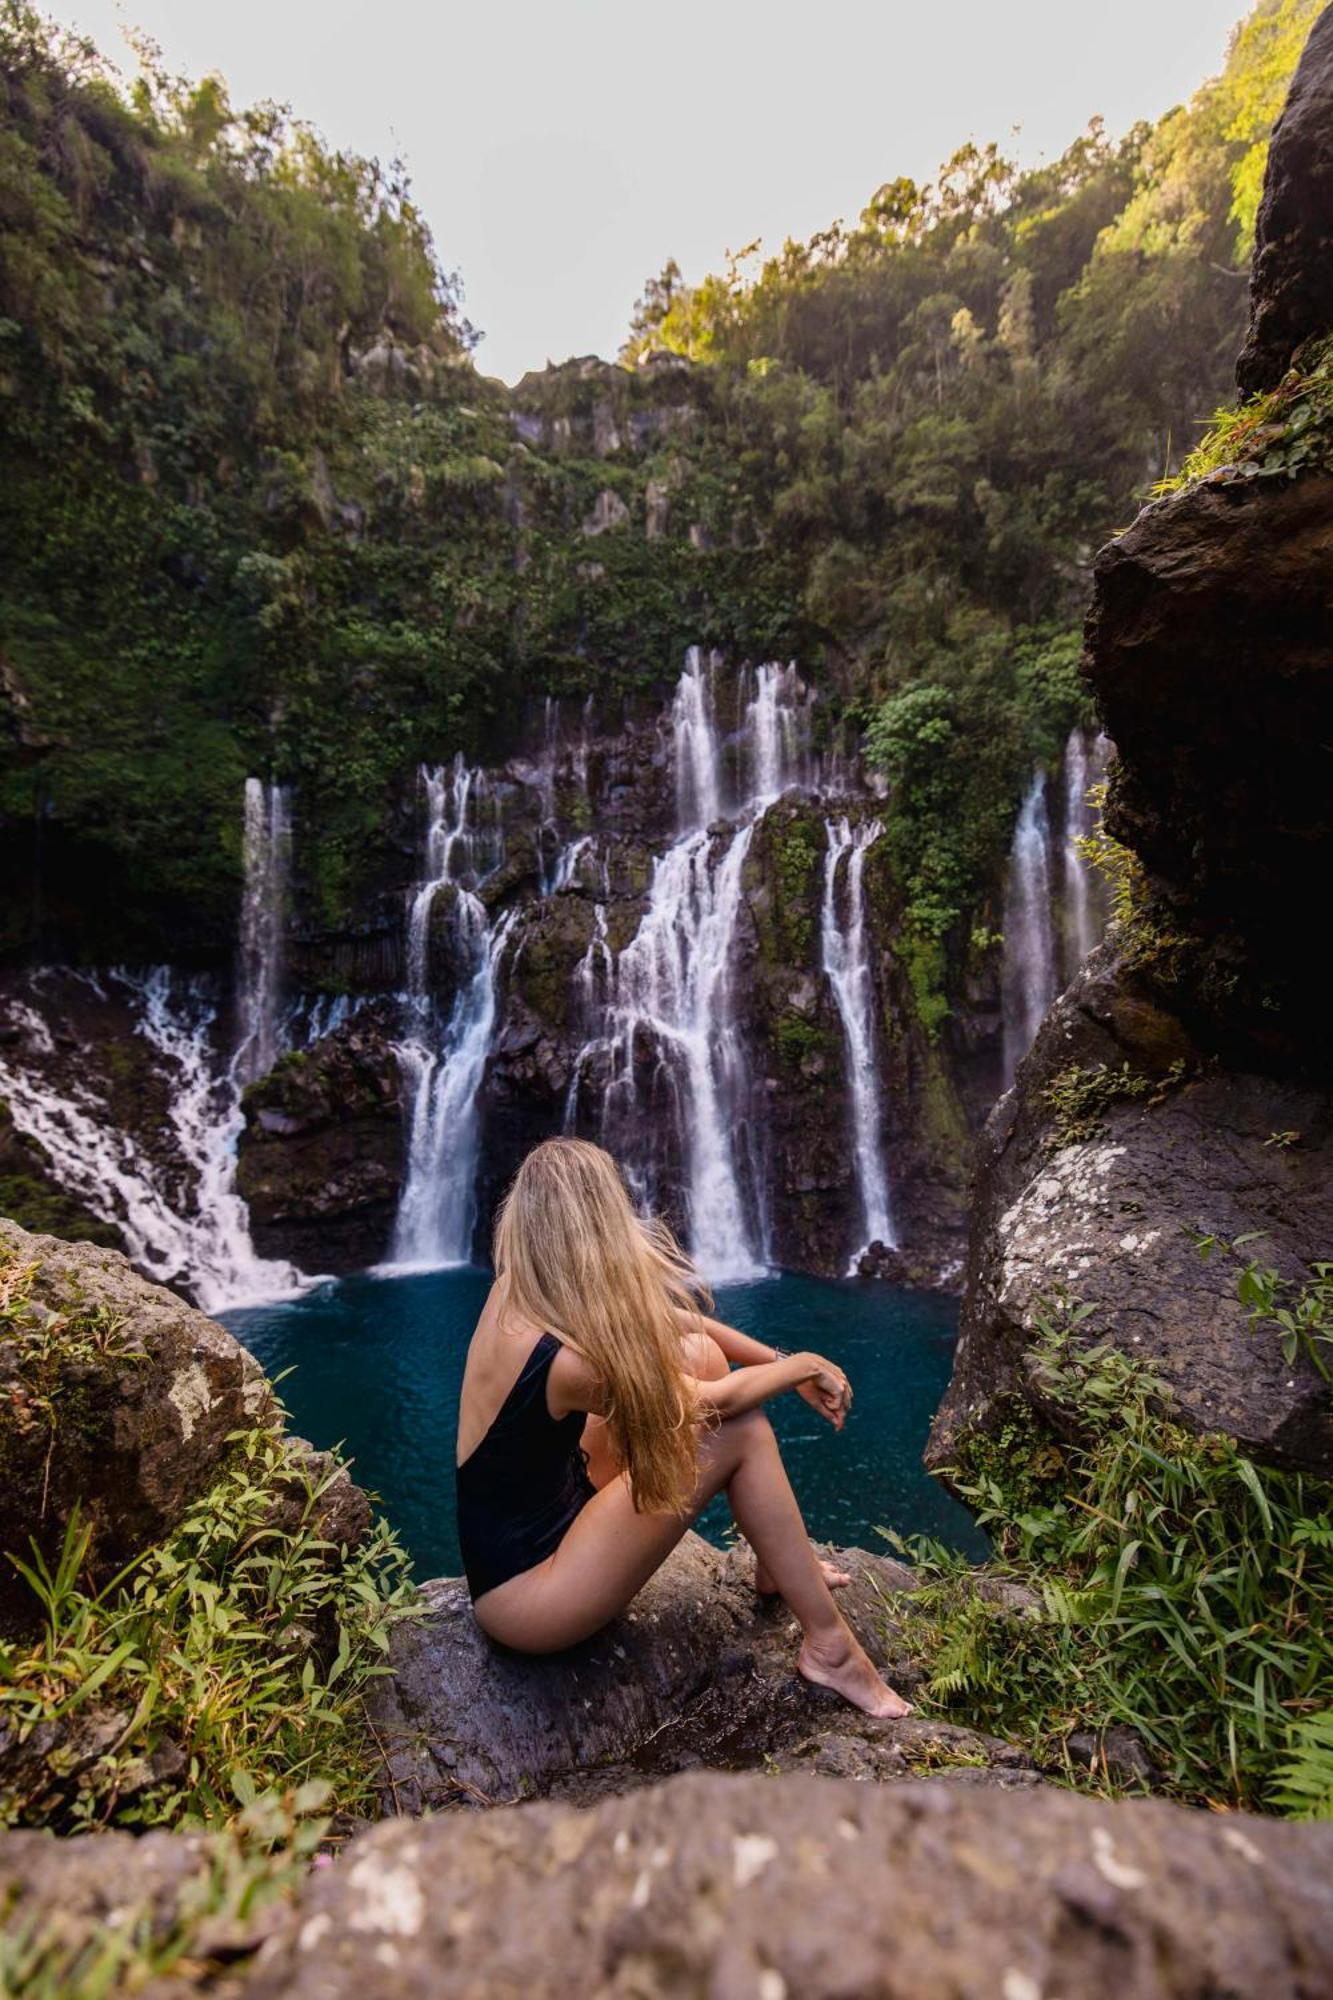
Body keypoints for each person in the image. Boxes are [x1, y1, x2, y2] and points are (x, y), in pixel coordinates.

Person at [455, 1136, 913, 1716]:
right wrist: (805, 1366)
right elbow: (715, 1401)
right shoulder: (565, 1362)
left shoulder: (521, 1285)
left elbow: (670, 1319)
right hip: (528, 1594)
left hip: (556, 1506)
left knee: (694, 1349)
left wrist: (775, 1362)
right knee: (737, 1428)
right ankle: (832, 1649)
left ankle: (776, 1563)